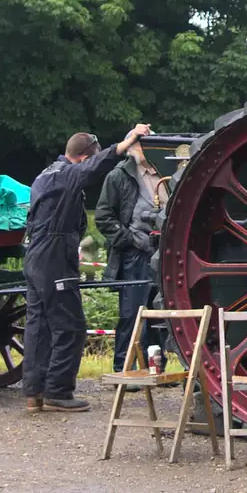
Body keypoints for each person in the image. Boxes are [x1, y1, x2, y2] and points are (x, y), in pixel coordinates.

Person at [23, 125, 150, 413]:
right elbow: (95, 166)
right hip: (54, 257)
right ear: (81, 158)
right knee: (71, 325)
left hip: (35, 256)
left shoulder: (45, 175)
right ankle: (58, 392)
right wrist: (126, 142)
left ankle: (34, 393)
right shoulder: (67, 174)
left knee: (38, 325)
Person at [94, 139, 169, 371]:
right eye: (141, 145)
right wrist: (131, 239)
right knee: (132, 314)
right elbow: (104, 218)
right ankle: (124, 368)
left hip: (162, 249)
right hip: (134, 253)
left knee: (158, 312)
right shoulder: (118, 176)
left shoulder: (165, 173)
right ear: (131, 150)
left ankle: (155, 367)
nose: (146, 150)